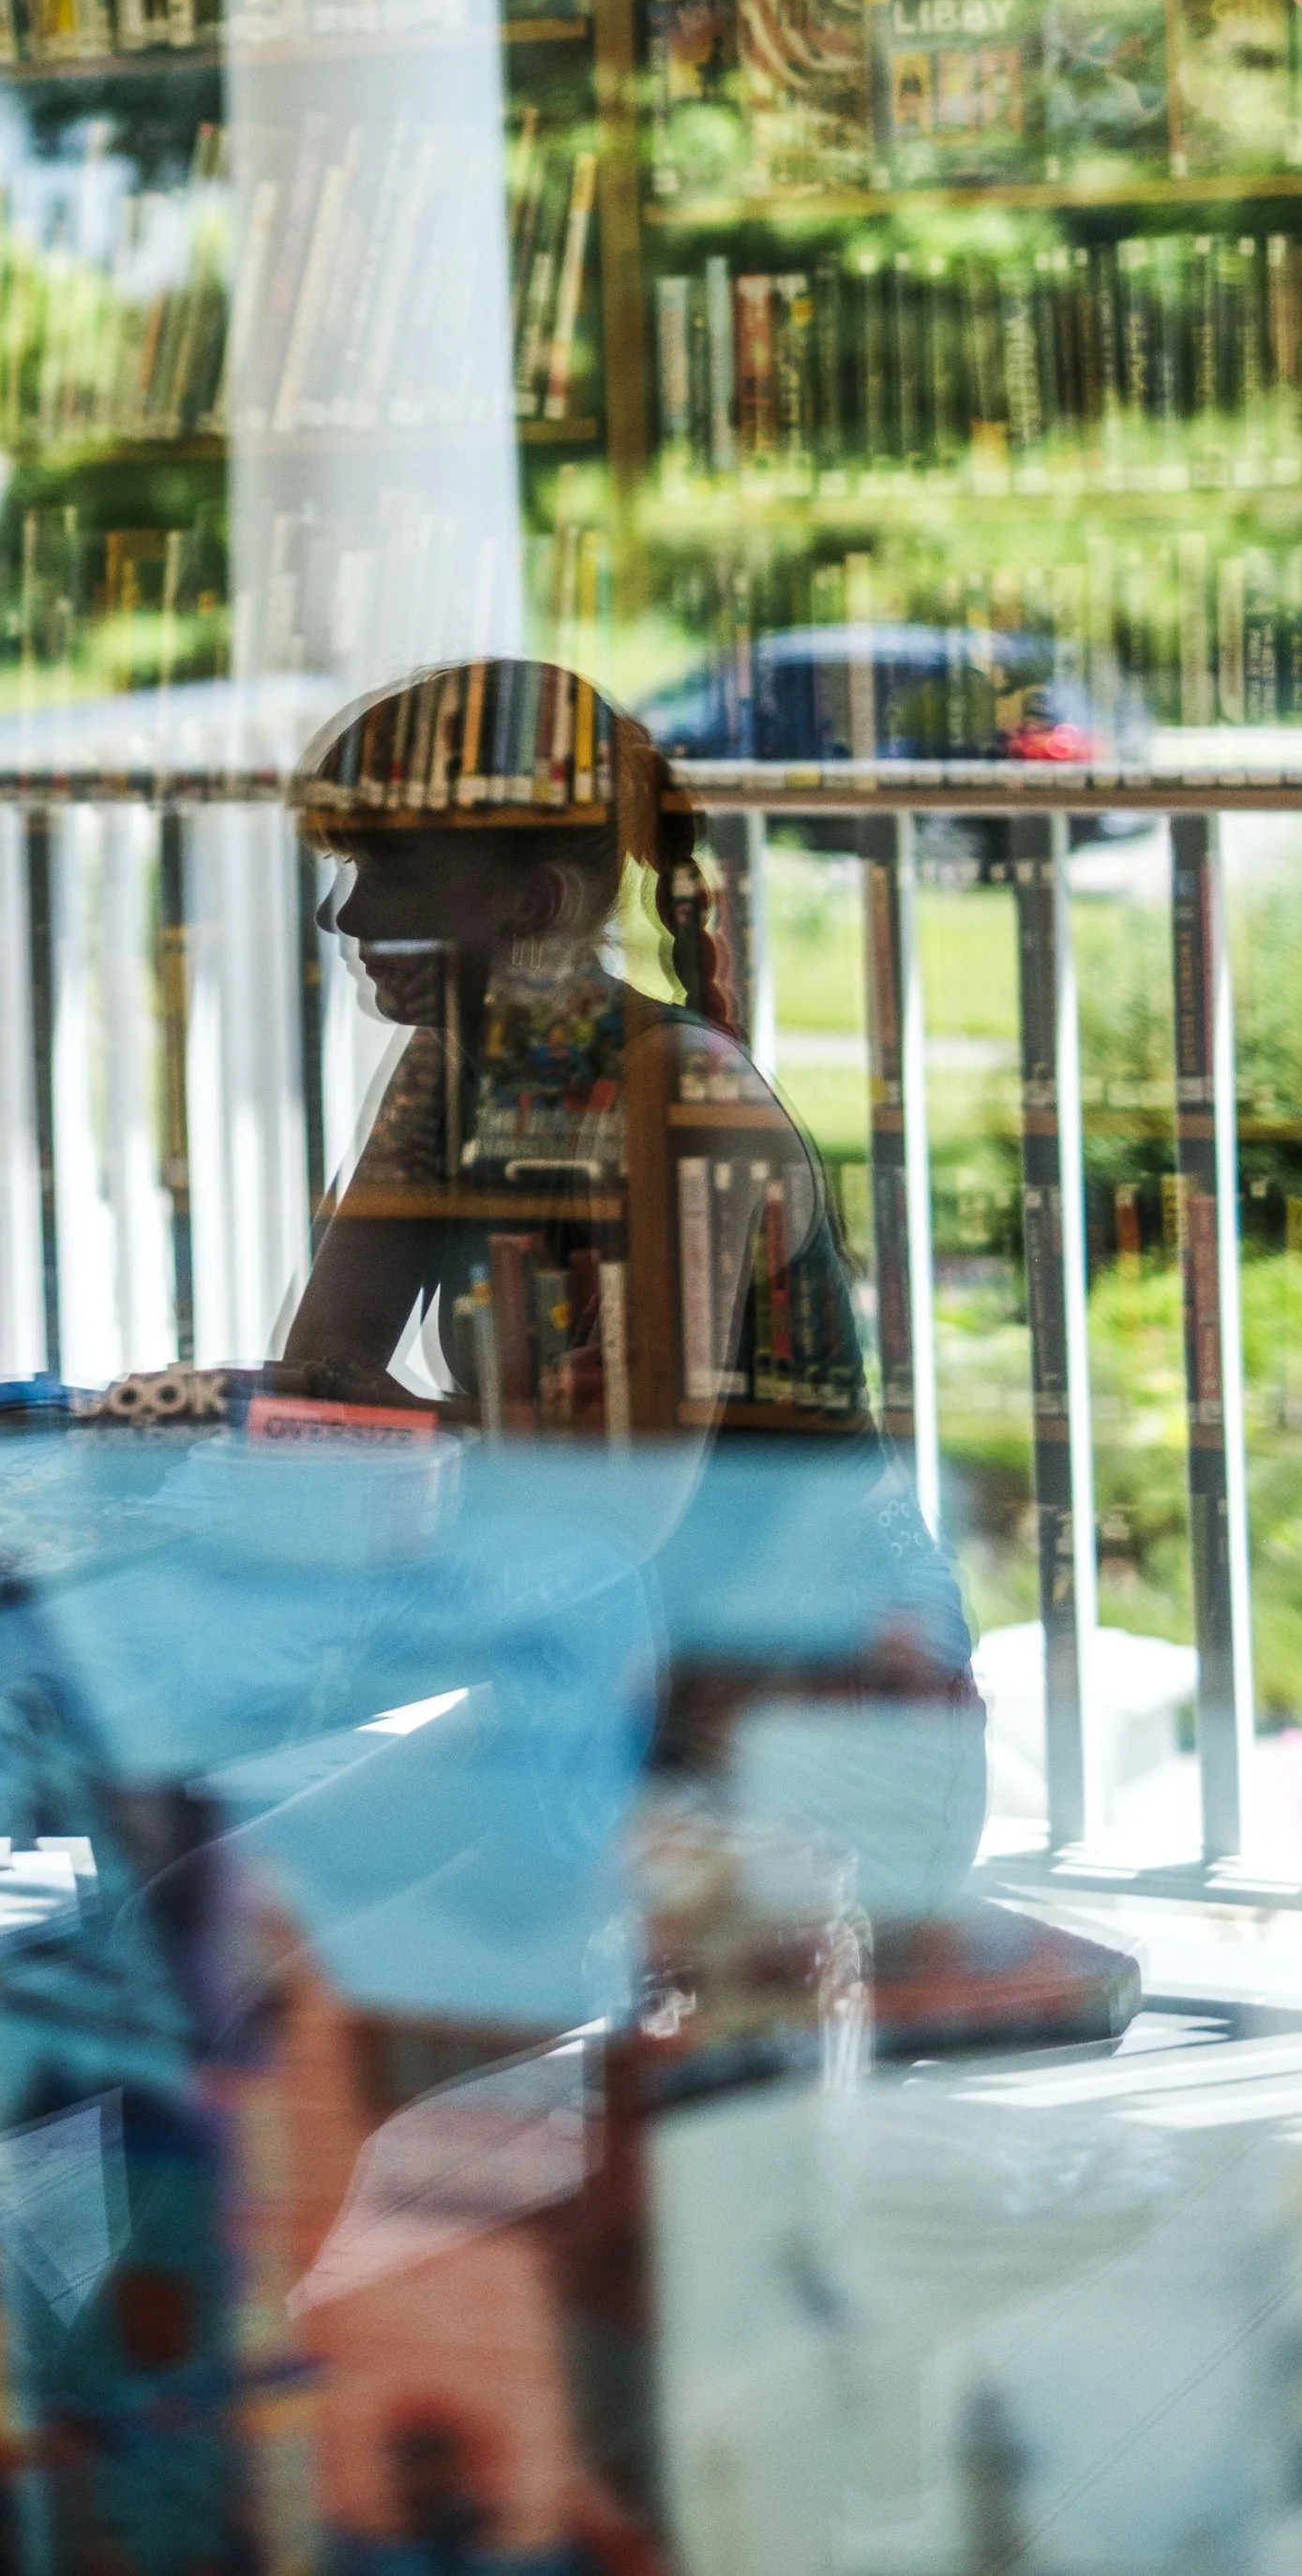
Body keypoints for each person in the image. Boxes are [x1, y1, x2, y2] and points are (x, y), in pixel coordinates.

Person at [282, 655, 985, 1913]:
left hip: (818, 1739)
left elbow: (613, 1514)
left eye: (388, 870)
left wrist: (401, 1432)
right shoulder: (447, 1070)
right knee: (203, 1912)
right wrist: (431, 1429)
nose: (344, 914)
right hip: (614, 1690)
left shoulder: (682, 1094)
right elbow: (318, 1384)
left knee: (265, 1962)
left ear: (537, 901)